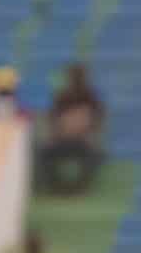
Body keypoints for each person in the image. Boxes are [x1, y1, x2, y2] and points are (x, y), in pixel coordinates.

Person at [38, 63, 106, 196]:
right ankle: (56, 187)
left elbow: (98, 120)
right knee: (44, 154)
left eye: (78, 76)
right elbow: (52, 119)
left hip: (83, 141)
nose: (76, 79)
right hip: (62, 139)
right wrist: (54, 135)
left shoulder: (92, 97)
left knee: (95, 156)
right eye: (74, 76)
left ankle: (80, 187)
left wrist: (91, 135)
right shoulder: (62, 96)